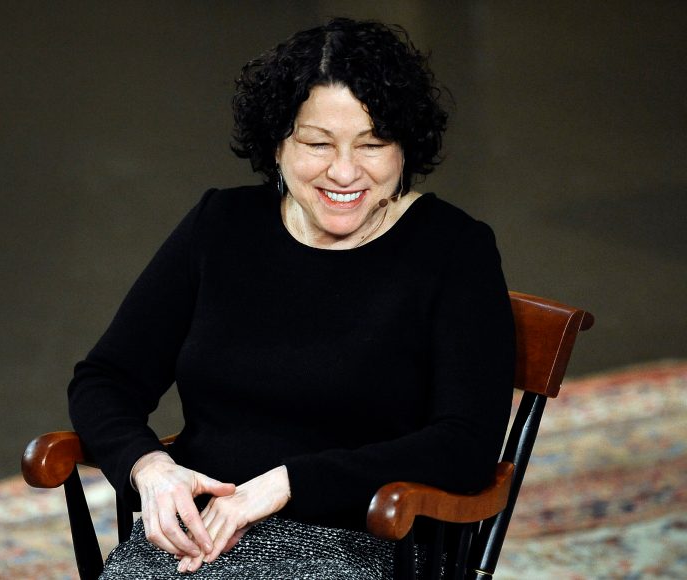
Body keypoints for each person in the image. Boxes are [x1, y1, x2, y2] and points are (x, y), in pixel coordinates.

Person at [68, 17, 515, 579]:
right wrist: (150, 467)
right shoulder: (220, 226)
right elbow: (106, 377)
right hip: (200, 537)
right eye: (317, 143)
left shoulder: (453, 249)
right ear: (277, 144)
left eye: (374, 144)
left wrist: (285, 485)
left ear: (406, 146)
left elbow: (465, 445)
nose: (345, 171)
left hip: (367, 543)